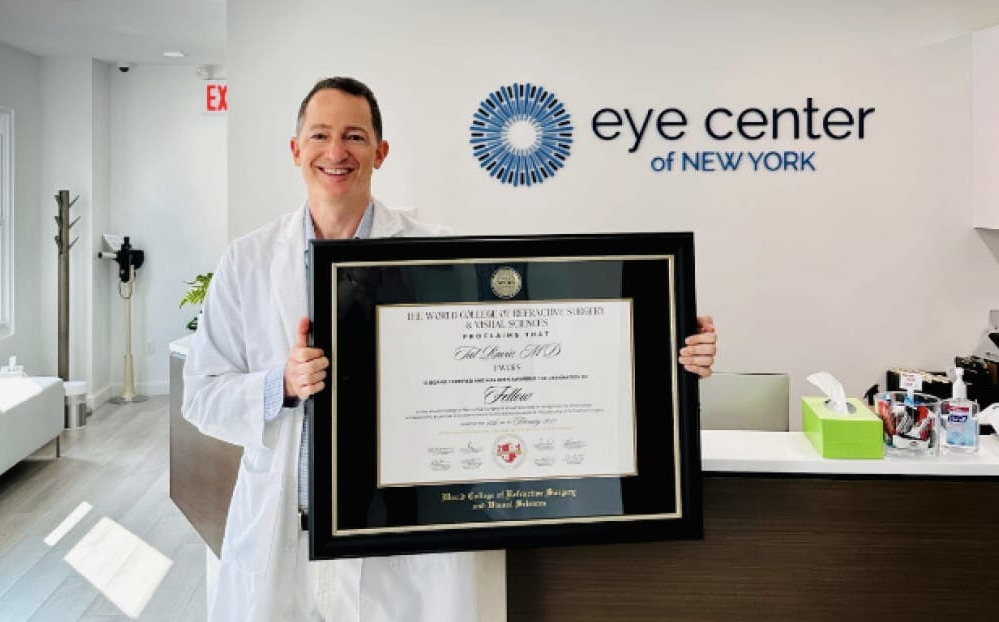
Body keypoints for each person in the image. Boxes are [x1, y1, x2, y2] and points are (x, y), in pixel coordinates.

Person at [183, 76, 718, 622]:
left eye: (355, 136)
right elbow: (201, 397)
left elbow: (521, 353)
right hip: (285, 535)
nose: (336, 152)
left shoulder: (436, 254)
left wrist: (664, 342)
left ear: (381, 152)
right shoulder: (246, 261)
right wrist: (284, 385)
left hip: (397, 543)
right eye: (319, 135)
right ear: (296, 150)